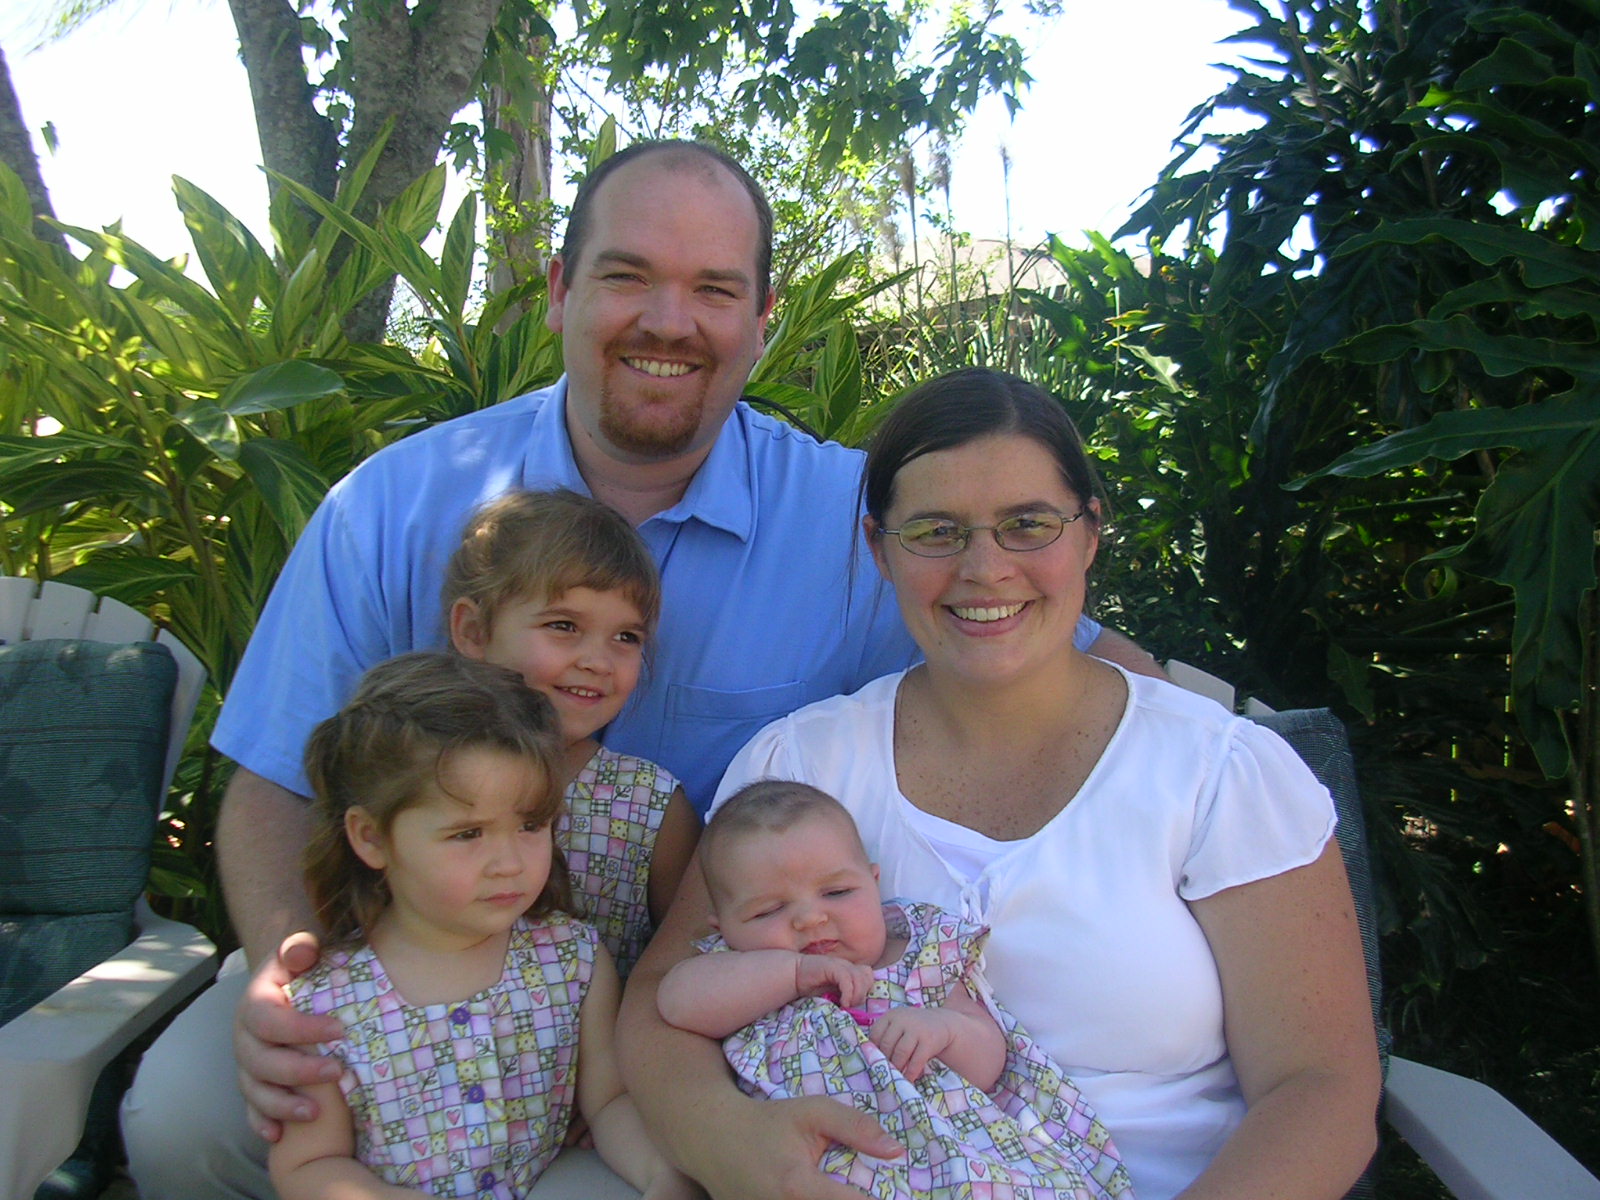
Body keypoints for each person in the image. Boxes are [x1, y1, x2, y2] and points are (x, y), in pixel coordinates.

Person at [122, 140, 1160, 1200]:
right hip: (411, 967)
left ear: (762, 322)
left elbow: (1040, 635)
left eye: (714, 289)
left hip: (703, 1011)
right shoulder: (395, 508)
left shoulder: (851, 525)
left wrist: (1222, 751)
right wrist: (288, 977)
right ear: (562, 291)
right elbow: (271, 781)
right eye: (627, 276)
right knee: (183, 1123)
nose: (669, 321)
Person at [619, 368, 1382, 1200]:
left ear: (1090, 534)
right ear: (880, 550)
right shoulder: (801, 765)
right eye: (936, 532)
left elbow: (1320, 1088)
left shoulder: (1220, 774)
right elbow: (662, 997)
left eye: (1028, 525)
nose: (985, 568)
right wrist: (731, 1146)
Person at [267, 652, 692, 1200]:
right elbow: (309, 1164)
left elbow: (608, 1102)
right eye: (468, 834)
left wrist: (661, 1176)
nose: (510, 862)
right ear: (371, 838)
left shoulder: (573, 961)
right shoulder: (323, 1004)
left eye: (531, 825)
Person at [657, 780, 1134, 1200]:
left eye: (837, 893)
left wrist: (943, 1031)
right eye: (767, 912)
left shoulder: (918, 959)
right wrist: (792, 974)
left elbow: (992, 1063)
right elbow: (678, 1002)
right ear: (724, 928)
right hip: (806, 1164)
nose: (810, 918)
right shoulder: (737, 972)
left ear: (874, 883)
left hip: (950, 1159)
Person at [444, 487, 699, 979]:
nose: (597, 661)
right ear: (473, 631)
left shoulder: (650, 807)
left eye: (626, 637)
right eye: (563, 625)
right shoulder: (416, 775)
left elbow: (688, 964)